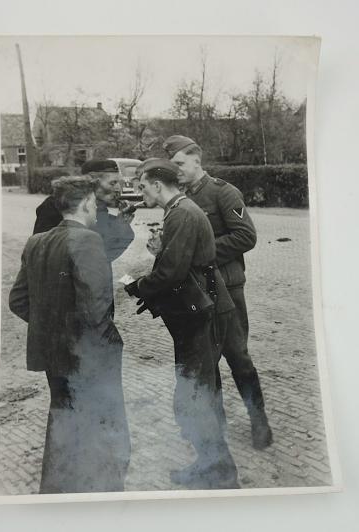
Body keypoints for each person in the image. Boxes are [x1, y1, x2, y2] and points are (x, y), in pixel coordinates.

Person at [9, 175, 130, 493]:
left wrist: (53, 330)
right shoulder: (89, 240)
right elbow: (96, 309)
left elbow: (18, 301)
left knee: (62, 421)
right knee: (101, 424)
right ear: (88, 203)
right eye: (95, 203)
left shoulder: (36, 242)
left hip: (53, 355)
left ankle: (55, 494)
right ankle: (104, 497)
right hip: (89, 356)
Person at [125, 159, 239, 489]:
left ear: (158, 185)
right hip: (203, 308)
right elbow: (182, 259)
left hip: (203, 312)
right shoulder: (180, 210)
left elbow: (172, 273)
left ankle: (220, 472)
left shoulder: (182, 213)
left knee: (195, 391)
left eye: (142, 186)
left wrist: (137, 285)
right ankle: (215, 465)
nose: (139, 191)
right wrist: (163, 249)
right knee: (202, 389)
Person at [163, 135, 273, 450]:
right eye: (173, 167)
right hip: (196, 293)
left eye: (180, 164)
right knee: (206, 361)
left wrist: (201, 251)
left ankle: (259, 422)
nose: (177, 171)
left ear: (197, 159)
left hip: (228, 287)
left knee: (238, 357)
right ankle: (217, 424)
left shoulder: (222, 192)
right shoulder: (179, 199)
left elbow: (245, 236)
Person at [33, 159, 135, 264]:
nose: (118, 189)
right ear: (91, 182)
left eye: (120, 183)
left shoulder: (100, 208)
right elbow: (39, 251)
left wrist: (121, 225)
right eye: (113, 183)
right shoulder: (55, 205)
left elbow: (104, 256)